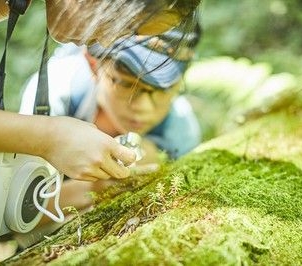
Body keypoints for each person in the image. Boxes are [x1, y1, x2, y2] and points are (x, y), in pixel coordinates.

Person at [0, 0, 201, 263]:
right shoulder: (59, 88)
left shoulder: (178, 128)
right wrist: (51, 140)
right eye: (123, 25)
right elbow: (7, 198)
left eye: (161, 90)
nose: (106, 43)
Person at [16, 24, 202, 229]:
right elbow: (10, 206)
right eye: (125, 83)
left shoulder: (179, 127)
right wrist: (93, 188)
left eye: (164, 89)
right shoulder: (54, 94)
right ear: (93, 65)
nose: (142, 106)